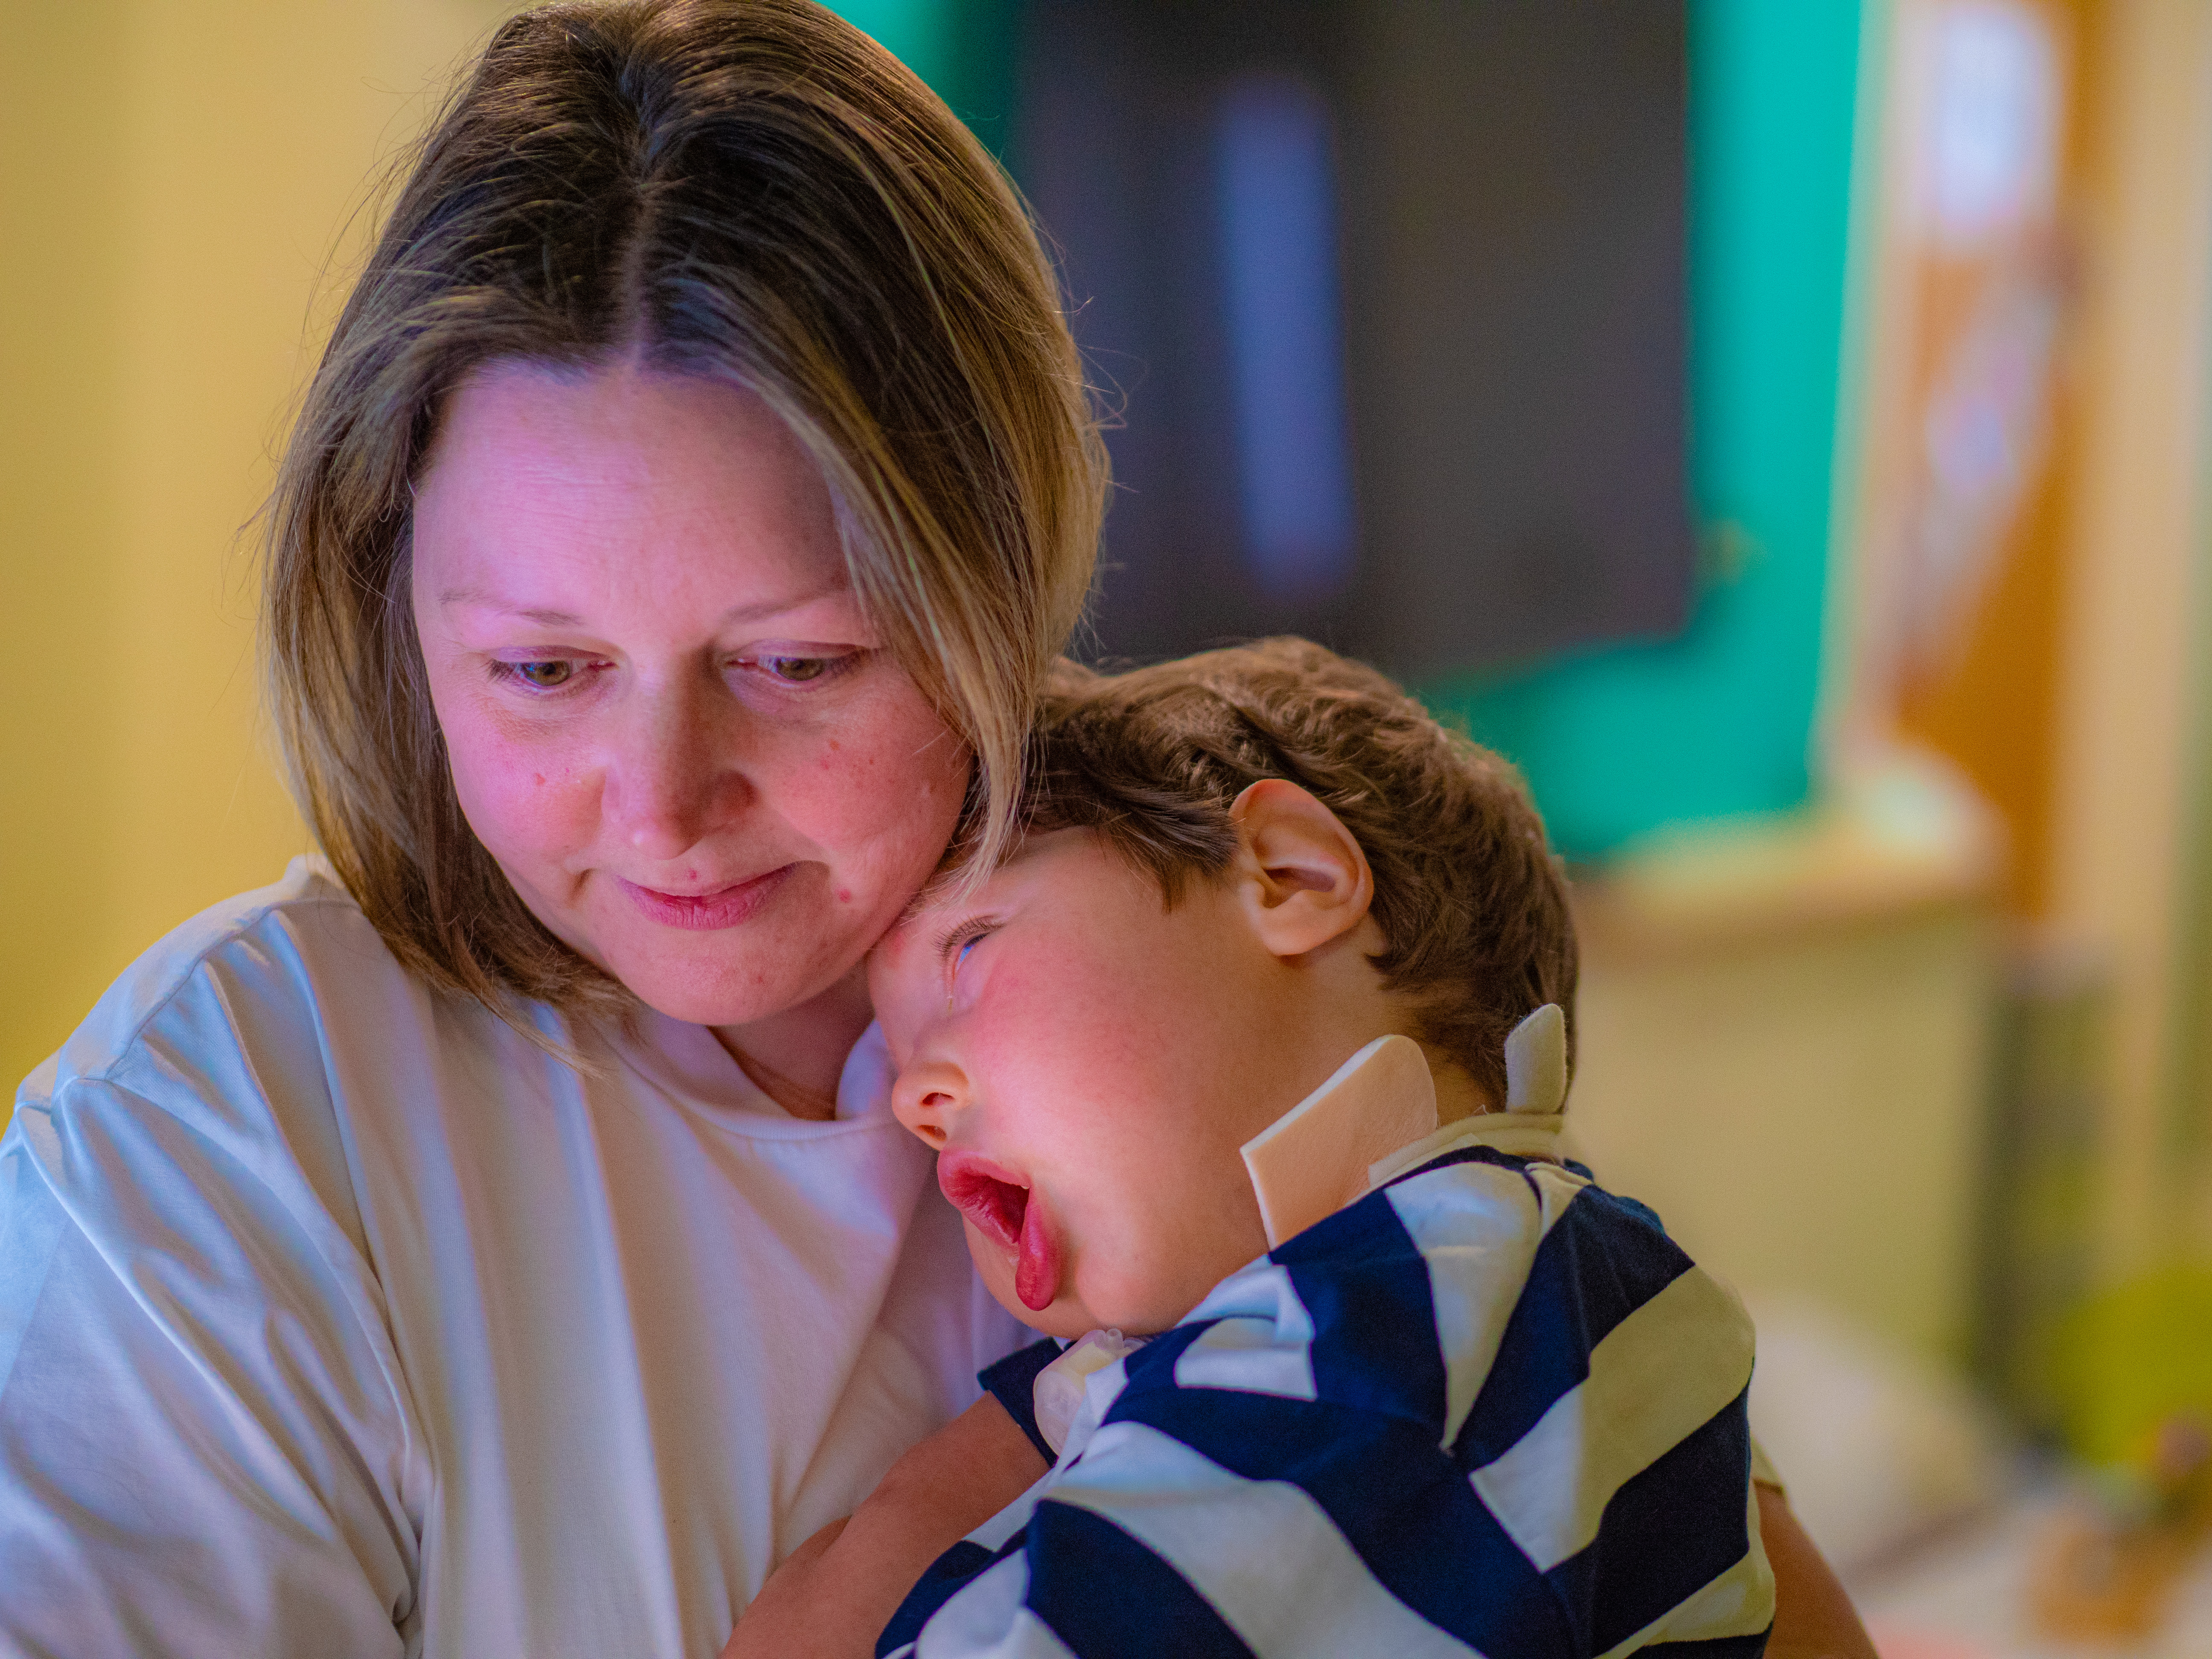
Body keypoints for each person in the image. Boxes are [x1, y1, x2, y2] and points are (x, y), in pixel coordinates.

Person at [0, 3, 1876, 1656]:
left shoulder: (1206, 1007)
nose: (662, 807)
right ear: (394, 606)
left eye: (801, 661)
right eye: (542, 671)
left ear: (1004, 582)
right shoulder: (222, 1138)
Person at [726, 641, 1774, 1658]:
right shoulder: (1396, 1316)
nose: (912, 1094)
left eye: (968, 953)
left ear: (1289, 874)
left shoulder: (1451, 1297)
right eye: (898, 1048)